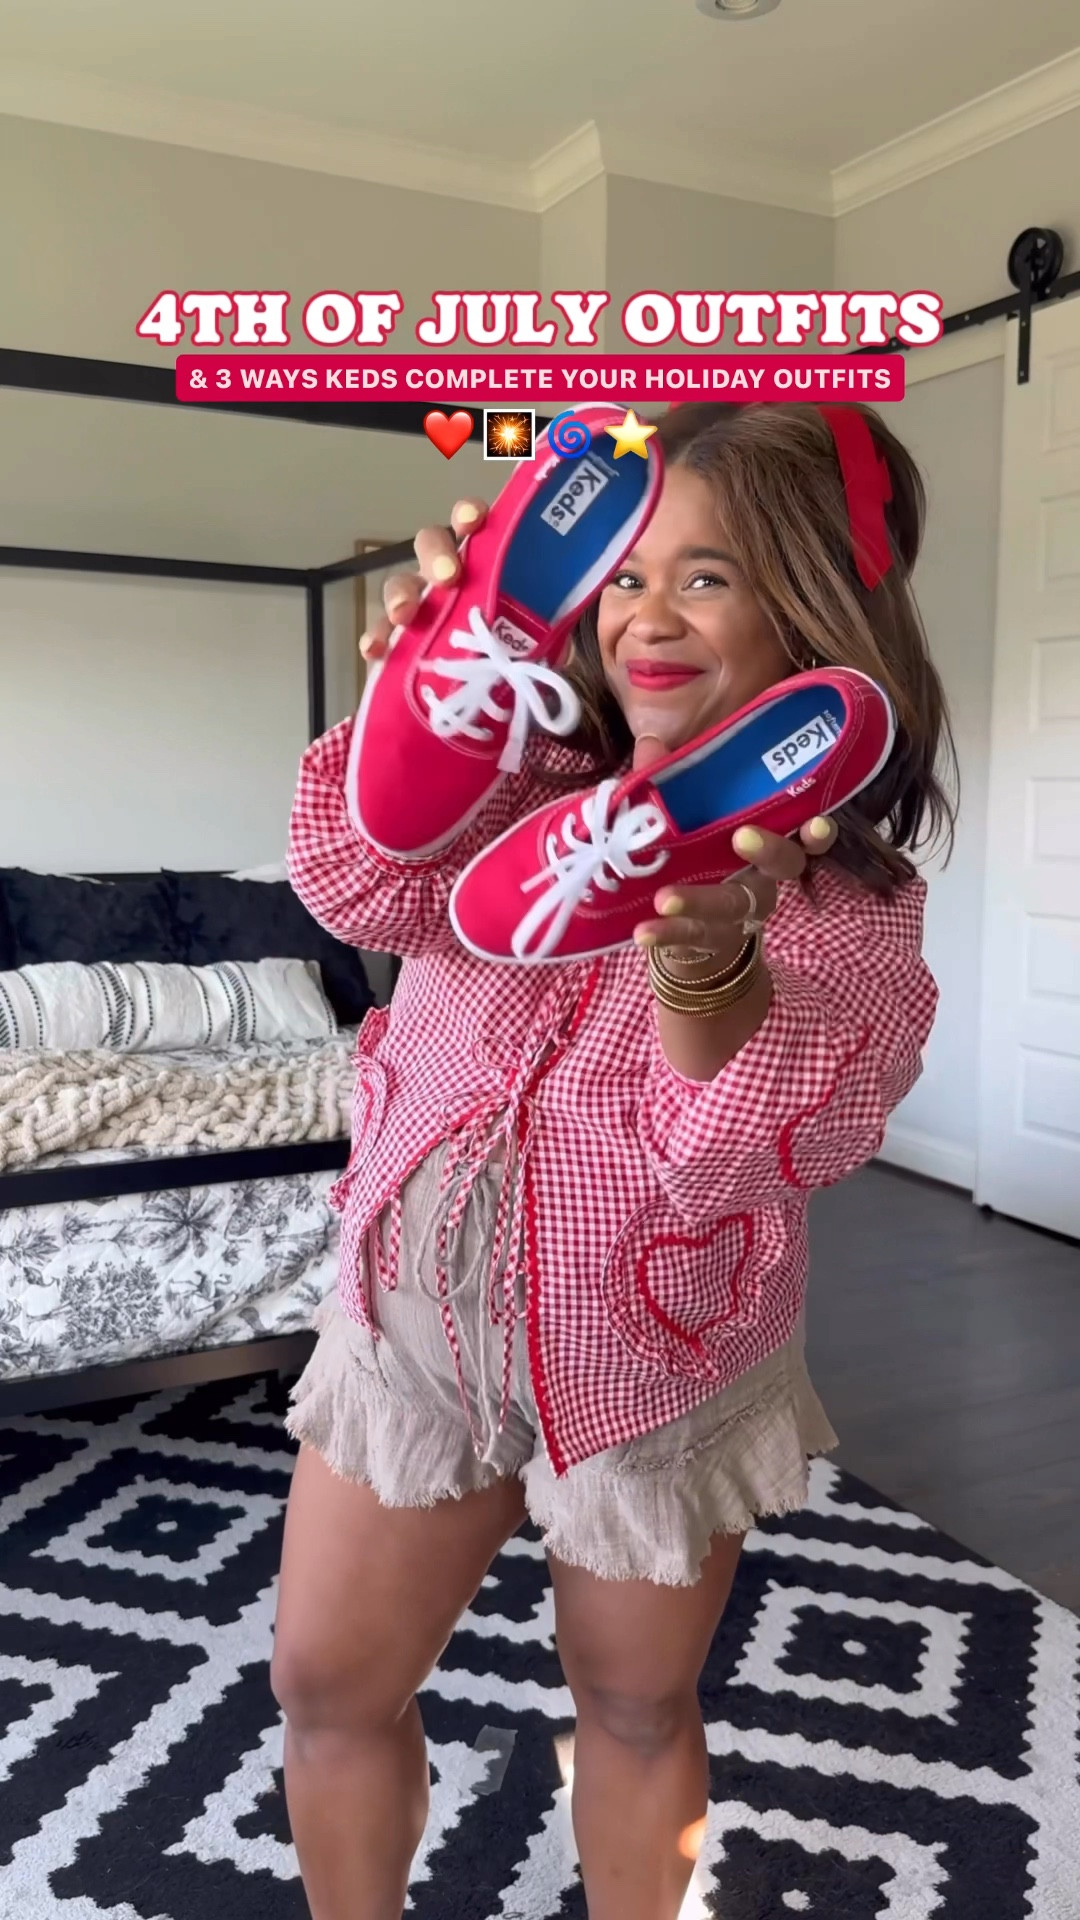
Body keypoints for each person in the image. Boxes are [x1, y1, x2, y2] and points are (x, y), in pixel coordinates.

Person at [272, 400, 954, 1920]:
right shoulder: (513, 778)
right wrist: (424, 699)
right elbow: (356, 889)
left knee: (638, 1711)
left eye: (708, 578)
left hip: (655, 1357)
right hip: (418, 1326)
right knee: (322, 1684)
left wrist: (714, 978)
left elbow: (751, 1155)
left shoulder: (842, 916)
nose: (649, 615)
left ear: (817, 609)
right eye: (627, 576)